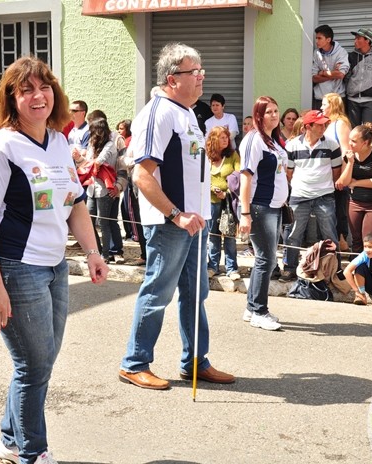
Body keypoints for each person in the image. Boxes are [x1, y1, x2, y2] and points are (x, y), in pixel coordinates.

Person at [0, 56, 108, 464]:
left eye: (44, 87)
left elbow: (75, 204)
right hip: (13, 268)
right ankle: (33, 453)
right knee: (33, 364)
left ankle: (11, 442)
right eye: (26, 89)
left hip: (54, 266)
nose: (38, 95)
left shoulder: (59, 141)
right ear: (11, 98)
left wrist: (93, 253)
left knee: (39, 362)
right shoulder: (1, 147)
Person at [119, 42, 234, 390]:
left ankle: (196, 361)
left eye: (201, 71)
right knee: (158, 293)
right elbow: (141, 175)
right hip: (171, 224)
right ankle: (134, 363)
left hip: (195, 222)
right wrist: (175, 214)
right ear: (172, 79)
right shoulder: (158, 113)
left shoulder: (186, 113)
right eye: (194, 72)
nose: (201, 77)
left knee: (195, 294)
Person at [238, 95, 288, 330]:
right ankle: (259, 311)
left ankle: (252, 308)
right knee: (266, 259)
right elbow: (245, 177)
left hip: (275, 207)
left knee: (266, 259)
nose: (274, 115)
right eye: (269, 112)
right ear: (258, 115)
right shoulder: (254, 139)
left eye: (276, 111)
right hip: (260, 207)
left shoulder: (273, 140)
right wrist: (245, 213)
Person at [281, 110, 342, 282]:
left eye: (325, 124)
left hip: (325, 195)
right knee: (293, 233)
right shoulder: (292, 145)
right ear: (308, 126)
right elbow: (288, 173)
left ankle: (335, 268)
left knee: (330, 233)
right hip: (299, 195)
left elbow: (336, 172)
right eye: (320, 124)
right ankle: (290, 268)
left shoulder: (332, 145)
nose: (324, 127)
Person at [336, 123, 372, 253]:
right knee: (356, 239)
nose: (350, 143)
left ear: (365, 143)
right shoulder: (349, 156)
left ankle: (370, 264)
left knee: (369, 239)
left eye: (354, 141)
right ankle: (356, 263)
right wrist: (350, 163)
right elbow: (344, 182)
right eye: (349, 140)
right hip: (354, 202)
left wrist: (356, 183)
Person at [206, 126, 241, 280]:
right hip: (211, 201)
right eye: (222, 137)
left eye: (226, 137)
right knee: (213, 235)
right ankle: (212, 266)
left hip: (228, 201)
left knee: (229, 234)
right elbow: (200, 177)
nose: (226, 139)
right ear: (213, 139)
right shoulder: (206, 156)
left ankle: (231, 268)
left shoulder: (233, 155)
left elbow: (239, 176)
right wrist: (212, 189)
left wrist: (226, 193)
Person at [84, 117, 119, 263]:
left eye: (92, 130)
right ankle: (95, 252)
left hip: (105, 189)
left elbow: (99, 161)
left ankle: (106, 254)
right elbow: (87, 162)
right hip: (91, 188)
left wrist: (90, 163)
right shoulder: (92, 144)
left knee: (103, 223)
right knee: (89, 222)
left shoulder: (110, 144)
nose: (90, 133)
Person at [322, 92, 352, 251]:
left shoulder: (340, 123)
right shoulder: (327, 123)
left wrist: (342, 176)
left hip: (337, 175)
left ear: (332, 105)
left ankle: (342, 239)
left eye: (324, 104)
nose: (321, 107)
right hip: (326, 175)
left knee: (339, 208)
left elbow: (345, 150)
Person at [345, 28, 372, 127]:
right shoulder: (351, 56)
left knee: (368, 130)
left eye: (358, 38)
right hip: (352, 99)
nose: (355, 41)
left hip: (370, 100)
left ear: (367, 40)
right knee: (354, 130)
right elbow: (346, 77)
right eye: (355, 38)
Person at [311, 24, 349, 110]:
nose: (316, 41)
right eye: (316, 38)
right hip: (320, 97)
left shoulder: (341, 52)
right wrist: (333, 74)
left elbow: (340, 75)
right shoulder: (316, 53)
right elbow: (314, 78)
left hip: (337, 98)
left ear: (328, 39)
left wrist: (322, 73)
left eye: (319, 38)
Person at [68, 99, 89, 164]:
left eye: (74, 111)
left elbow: (84, 154)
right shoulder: (72, 130)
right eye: (69, 110)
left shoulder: (87, 131)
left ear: (83, 113)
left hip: (81, 167)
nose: (70, 113)